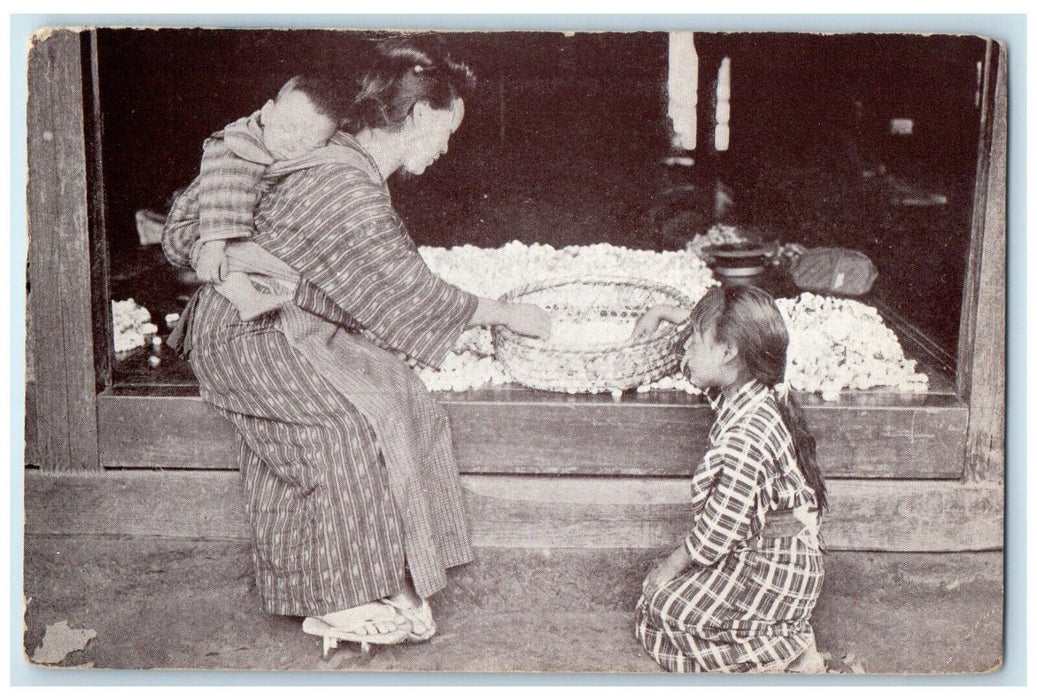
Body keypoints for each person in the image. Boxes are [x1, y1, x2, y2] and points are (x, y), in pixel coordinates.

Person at [162, 35, 551, 651]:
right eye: (449, 127)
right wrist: (504, 313)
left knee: (403, 397)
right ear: (421, 114)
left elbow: (371, 279)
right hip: (250, 335)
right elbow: (402, 286)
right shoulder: (342, 180)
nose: (449, 145)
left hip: (287, 328)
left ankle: (384, 581)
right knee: (352, 423)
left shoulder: (345, 164)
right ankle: (343, 598)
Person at [629, 285, 827, 673]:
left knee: (658, 605)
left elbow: (717, 530)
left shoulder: (746, 437)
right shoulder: (751, 392)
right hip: (763, 555)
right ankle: (779, 639)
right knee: (660, 596)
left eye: (693, 341)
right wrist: (665, 314)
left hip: (774, 571)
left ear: (728, 352)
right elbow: (706, 359)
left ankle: (787, 648)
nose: (685, 350)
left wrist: (671, 567)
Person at [163, 73, 349, 321]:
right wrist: (214, 245)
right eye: (288, 128)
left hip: (227, 224)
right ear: (267, 112)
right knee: (224, 258)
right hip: (194, 229)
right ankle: (247, 300)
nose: (293, 143)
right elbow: (223, 191)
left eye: (309, 143)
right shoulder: (239, 146)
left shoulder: (274, 148)